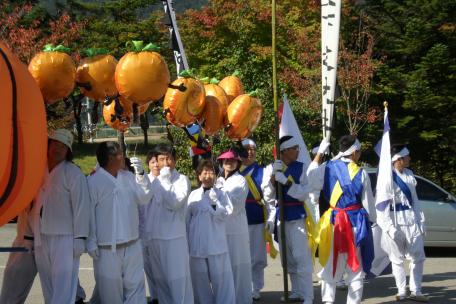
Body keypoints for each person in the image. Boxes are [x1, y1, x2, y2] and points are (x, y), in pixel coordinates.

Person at [308, 135, 376, 304]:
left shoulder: (327, 167)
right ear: (354, 153)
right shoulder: (361, 174)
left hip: (333, 224)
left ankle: (328, 301)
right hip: (355, 225)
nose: (359, 155)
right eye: (359, 152)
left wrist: (319, 154)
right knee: (356, 270)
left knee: (331, 266)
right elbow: (368, 206)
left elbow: (310, 178)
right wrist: (372, 222)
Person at [86, 141, 153, 304]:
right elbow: (88, 214)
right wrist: (91, 241)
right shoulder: (93, 181)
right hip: (107, 248)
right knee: (111, 293)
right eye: (119, 154)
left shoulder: (129, 177)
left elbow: (144, 197)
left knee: (136, 290)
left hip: (132, 244)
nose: (123, 156)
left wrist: (141, 174)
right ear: (109, 158)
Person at [30, 129, 90, 304]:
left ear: (68, 151)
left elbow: (82, 207)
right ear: (48, 145)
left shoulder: (73, 173)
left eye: (63, 146)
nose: (58, 148)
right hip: (41, 235)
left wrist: (80, 237)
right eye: (55, 144)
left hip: (65, 237)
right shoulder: (37, 170)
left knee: (64, 284)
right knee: (47, 283)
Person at [376, 145, 428, 302]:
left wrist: (421, 221)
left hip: (411, 220)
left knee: (417, 257)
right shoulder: (386, 177)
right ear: (398, 159)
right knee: (397, 258)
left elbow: (415, 201)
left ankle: (416, 290)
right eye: (407, 157)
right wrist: (389, 228)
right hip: (394, 221)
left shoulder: (410, 174)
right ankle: (401, 290)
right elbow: (381, 205)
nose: (409, 159)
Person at [146, 143, 194, 304]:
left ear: (175, 160)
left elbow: (174, 203)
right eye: (161, 159)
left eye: (169, 159)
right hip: (154, 237)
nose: (165, 163)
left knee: (178, 281)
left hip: (174, 238)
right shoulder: (153, 181)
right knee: (161, 282)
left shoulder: (182, 180)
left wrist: (165, 179)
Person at [271, 135, 314, 303]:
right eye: (295, 148)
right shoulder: (274, 167)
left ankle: (307, 296)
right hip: (281, 218)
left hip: (297, 218)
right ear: (285, 151)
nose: (298, 151)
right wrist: (273, 179)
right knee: (287, 258)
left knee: (301, 257)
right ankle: (295, 290)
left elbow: (303, 194)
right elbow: (267, 194)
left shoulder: (302, 168)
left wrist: (286, 182)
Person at [186, 159, 236, 304]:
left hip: (216, 245)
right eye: (204, 172)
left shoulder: (221, 194)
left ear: (215, 175)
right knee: (200, 281)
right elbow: (187, 220)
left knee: (221, 280)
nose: (208, 175)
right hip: (197, 246)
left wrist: (215, 204)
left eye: (211, 172)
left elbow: (226, 214)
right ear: (199, 176)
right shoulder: (193, 195)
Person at [238, 139, 276, 301]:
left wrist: (271, 217)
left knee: (257, 256)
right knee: (239, 256)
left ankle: (256, 287)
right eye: (247, 149)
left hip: (257, 217)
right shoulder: (232, 170)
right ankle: (241, 285)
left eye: (253, 149)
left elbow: (269, 198)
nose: (251, 152)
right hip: (237, 220)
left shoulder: (263, 171)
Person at [215, 149, 251, 304]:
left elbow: (234, 206)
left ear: (237, 163)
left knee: (238, 266)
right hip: (221, 229)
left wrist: (220, 193)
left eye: (231, 160)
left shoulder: (240, 181)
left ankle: (241, 299)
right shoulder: (218, 180)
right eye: (225, 161)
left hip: (236, 229)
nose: (228, 163)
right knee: (224, 268)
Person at [138, 150, 160, 304]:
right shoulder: (143, 180)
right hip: (144, 229)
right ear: (148, 165)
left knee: (161, 265)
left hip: (160, 230)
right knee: (148, 267)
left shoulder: (168, 181)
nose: (156, 165)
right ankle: (154, 297)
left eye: (157, 161)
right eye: (152, 162)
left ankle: (164, 295)